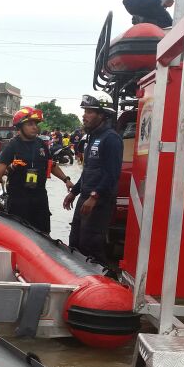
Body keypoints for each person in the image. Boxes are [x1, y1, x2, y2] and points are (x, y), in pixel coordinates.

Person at [0, 107, 74, 232]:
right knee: (19, 235)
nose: (35, 127)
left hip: (39, 199)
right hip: (18, 199)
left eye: (35, 124)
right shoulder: (12, 146)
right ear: (20, 127)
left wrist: (66, 180)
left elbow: (52, 166)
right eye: (30, 124)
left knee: (44, 235)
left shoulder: (42, 145)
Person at [64, 94, 123, 263]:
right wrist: (74, 192)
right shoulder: (92, 137)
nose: (84, 115)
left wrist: (94, 196)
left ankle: (103, 283)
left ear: (102, 115)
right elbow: (89, 170)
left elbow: (111, 173)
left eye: (90, 111)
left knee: (91, 244)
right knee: (75, 242)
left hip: (99, 201)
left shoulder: (111, 139)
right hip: (85, 197)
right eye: (85, 111)